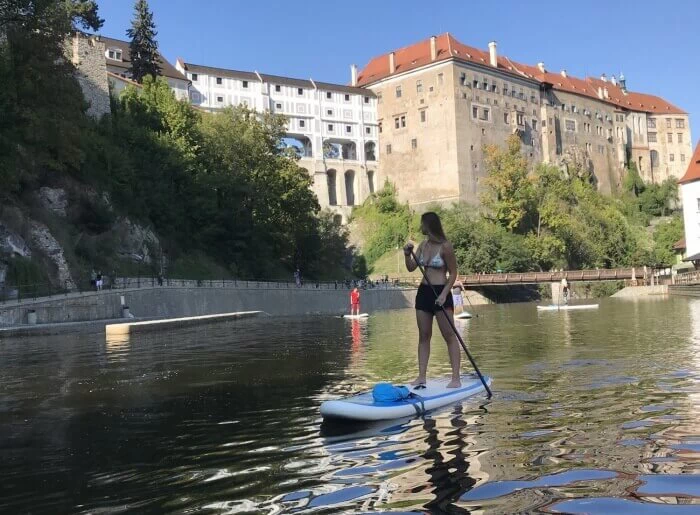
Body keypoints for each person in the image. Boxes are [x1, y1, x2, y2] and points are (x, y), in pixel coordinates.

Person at [404, 212, 461, 389]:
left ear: (429, 225)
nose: (420, 227)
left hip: (440, 292)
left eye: (422, 224)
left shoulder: (445, 246)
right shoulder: (423, 245)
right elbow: (412, 268)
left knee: (449, 335)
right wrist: (407, 254)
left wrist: (445, 293)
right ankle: (421, 377)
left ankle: (456, 378)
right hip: (424, 292)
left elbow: (453, 273)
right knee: (424, 335)